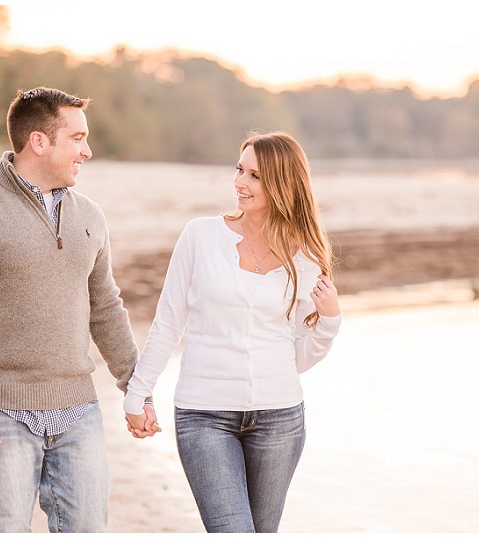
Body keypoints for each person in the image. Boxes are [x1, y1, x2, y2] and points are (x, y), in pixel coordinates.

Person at [0, 86, 160, 533]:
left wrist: (137, 386)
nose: (87, 151)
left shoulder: (90, 214)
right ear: (39, 142)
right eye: (77, 138)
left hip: (79, 411)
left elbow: (105, 307)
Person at [123, 131, 341, 532]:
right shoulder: (200, 236)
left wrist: (329, 321)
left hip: (279, 419)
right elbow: (169, 320)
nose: (240, 182)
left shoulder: (306, 256)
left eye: (255, 176)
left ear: (283, 183)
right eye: (240, 170)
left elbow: (298, 357)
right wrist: (138, 393)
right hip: (204, 414)